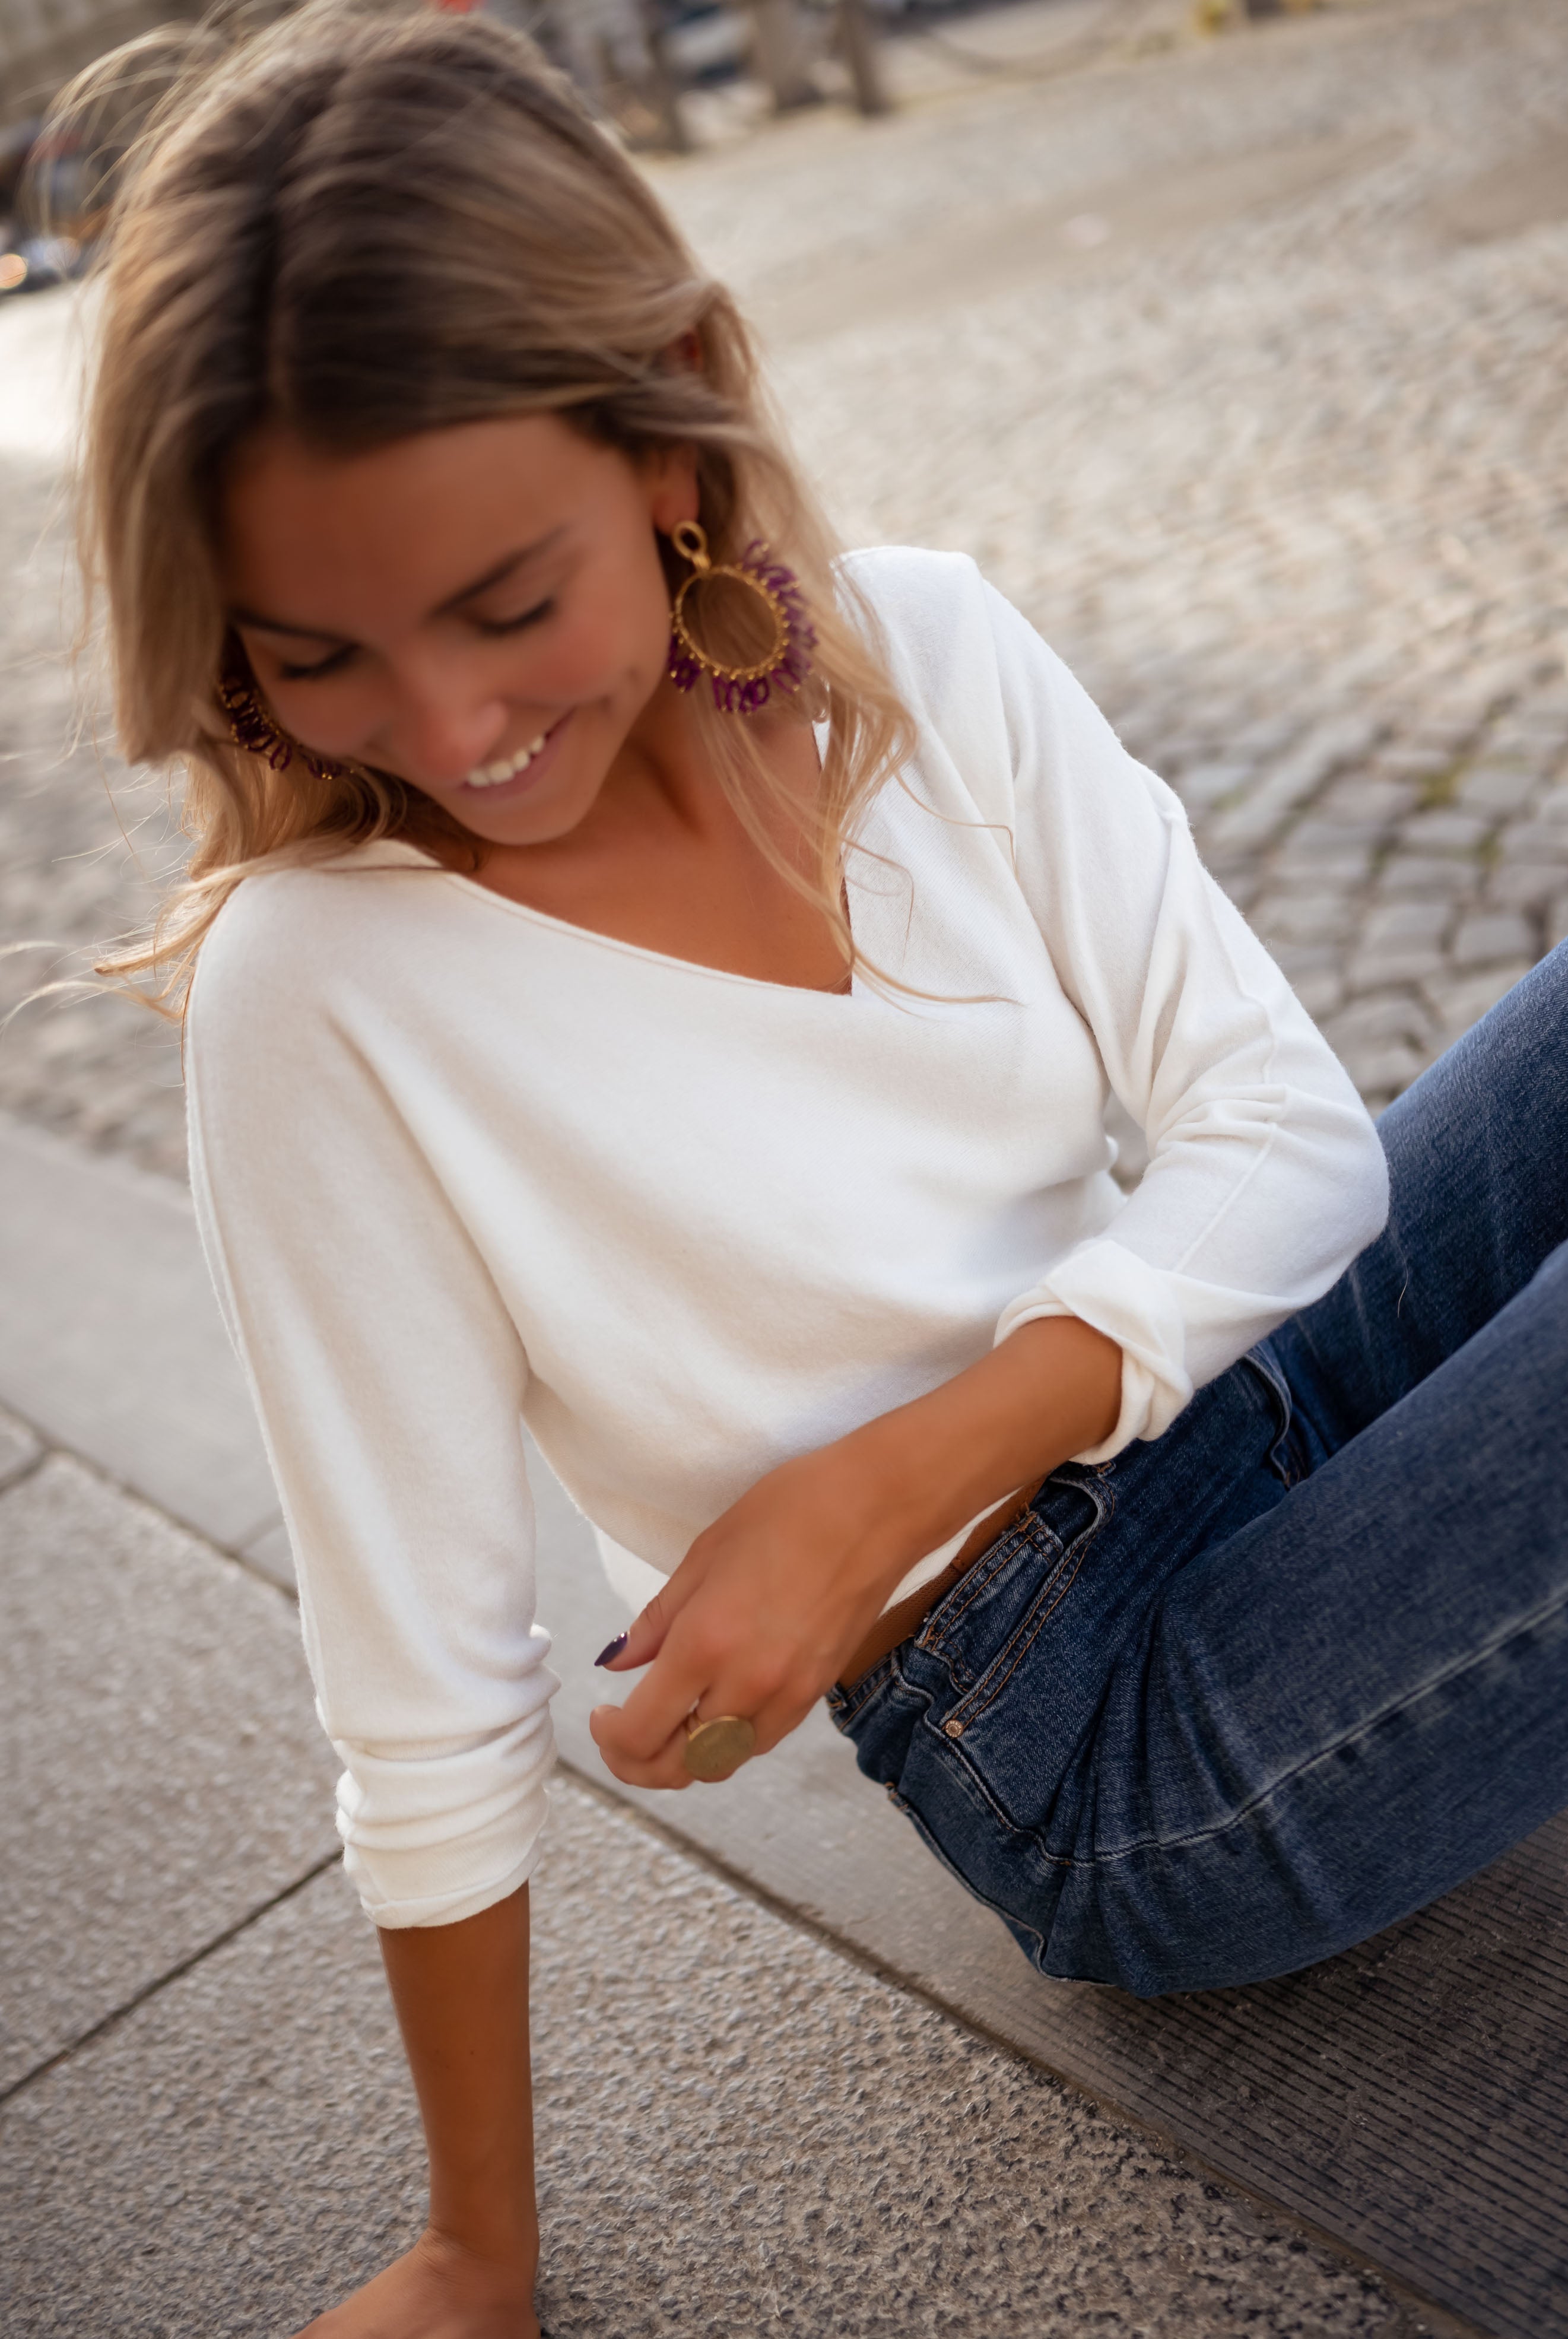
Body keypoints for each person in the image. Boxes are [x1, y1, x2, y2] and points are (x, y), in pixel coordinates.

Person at [69, 4, 1567, 2332]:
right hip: (1097, 1738)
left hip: (1241, 1394)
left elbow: (1284, 1141)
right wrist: (475, 2254)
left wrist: (873, 1483)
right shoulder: (319, 994)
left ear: (670, 419)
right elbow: (418, 1681)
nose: (451, 730)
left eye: (506, 602)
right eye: (315, 658)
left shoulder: (926, 647)